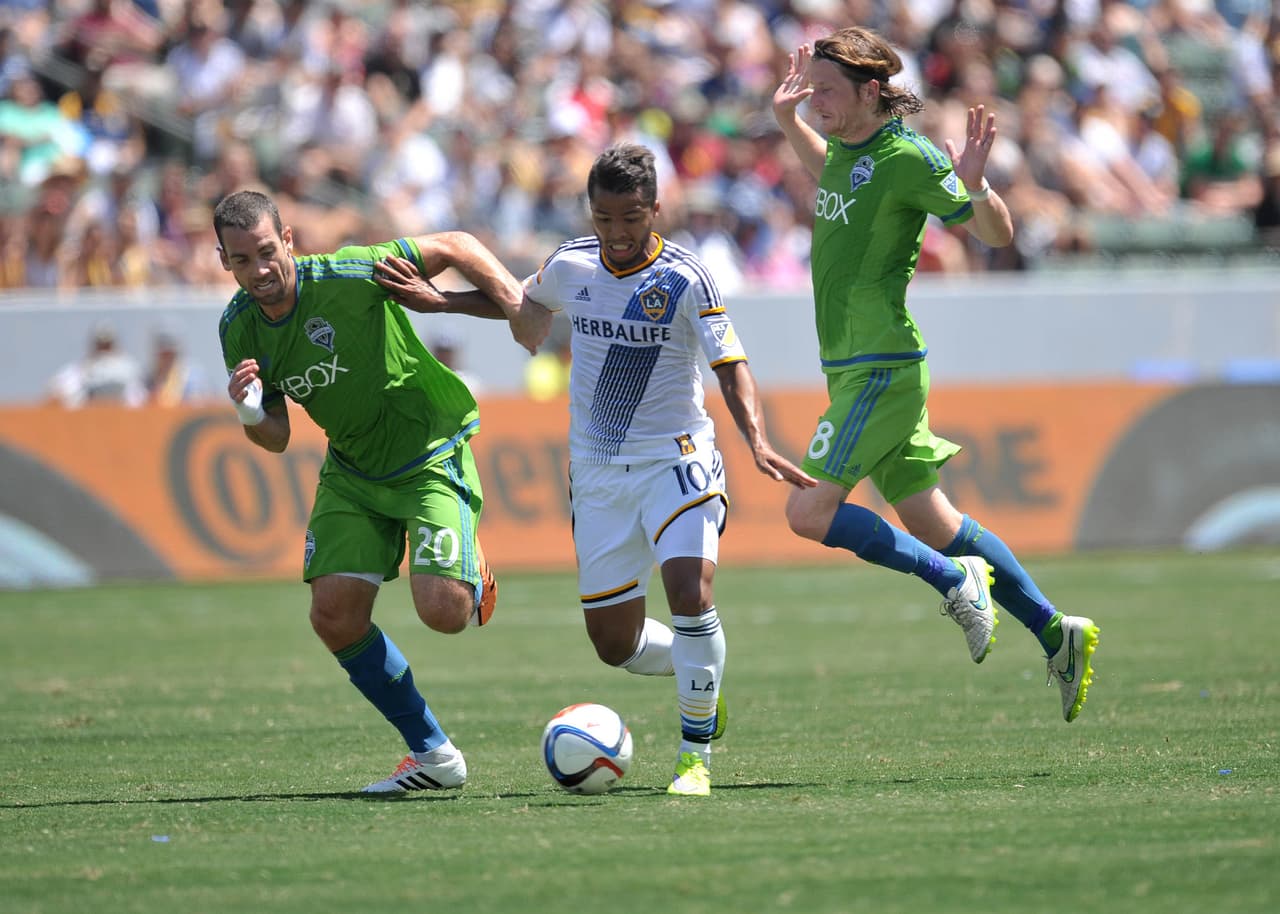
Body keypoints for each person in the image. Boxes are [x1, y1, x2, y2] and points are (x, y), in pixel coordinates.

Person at [771, 28, 1099, 723]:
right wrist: (786, 118)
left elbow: (998, 235)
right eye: (812, 89)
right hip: (858, 369)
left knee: (808, 512)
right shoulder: (846, 151)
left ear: (869, 92)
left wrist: (977, 185)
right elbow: (829, 168)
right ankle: (1054, 631)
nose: (815, 100)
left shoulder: (909, 158)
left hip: (879, 370)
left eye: (827, 91)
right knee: (930, 517)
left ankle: (954, 580)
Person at [511, 143, 816, 795]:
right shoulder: (570, 266)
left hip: (677, 461)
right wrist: (521, 317)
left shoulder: (684, 277)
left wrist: (755, 440)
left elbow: (731, 365)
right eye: (604, 219)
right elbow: (530, 303)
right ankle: (698, 682)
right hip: (596, 473)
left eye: (630, 218)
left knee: (690, 596)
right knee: (612, 644)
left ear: (655, 209)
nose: (618, 234)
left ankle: (694, 756)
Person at [214, 189, 523, 793]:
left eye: (267, 251)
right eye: (242, 259)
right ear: (224, 261)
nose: (259, 270)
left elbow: (457, 244)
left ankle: (471, 572)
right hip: (353, 472)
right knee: (333, 616)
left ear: (290, 242)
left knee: (444, 613)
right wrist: (251, 414)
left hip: (428, 451)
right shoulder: (239, 328)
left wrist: (516, 304)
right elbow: (276, 437)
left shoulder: (352, 273)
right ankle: (433, 755)